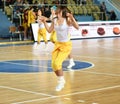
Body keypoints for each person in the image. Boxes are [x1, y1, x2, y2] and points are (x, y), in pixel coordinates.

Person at [40, 6, 79, 91]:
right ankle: (61, 80)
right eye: (58, 11)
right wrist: (44, 22)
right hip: (58, 44)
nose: (58, 12)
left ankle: (61, 81)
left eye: (59, 11)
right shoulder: (54, 20)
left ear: (63, 12)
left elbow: (77, 27)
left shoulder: (67, 20)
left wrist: (72, 19)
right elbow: (49, 30)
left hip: (66, 45)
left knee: (57, 63)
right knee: (53, 65)